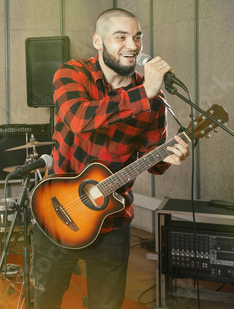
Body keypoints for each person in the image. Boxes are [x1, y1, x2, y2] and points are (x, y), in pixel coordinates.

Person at [31, 8, 190, 309]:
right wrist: (144, 94)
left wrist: (171, 155)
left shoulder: (154, 100)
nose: (132, 45)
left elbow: (153, 163)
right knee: (45, 299)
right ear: (98, 41)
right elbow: (79, 118)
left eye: (137, 37)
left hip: (111, 223)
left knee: (107, 305)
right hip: (57, 212)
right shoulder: (72, 73)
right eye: (121, 37)